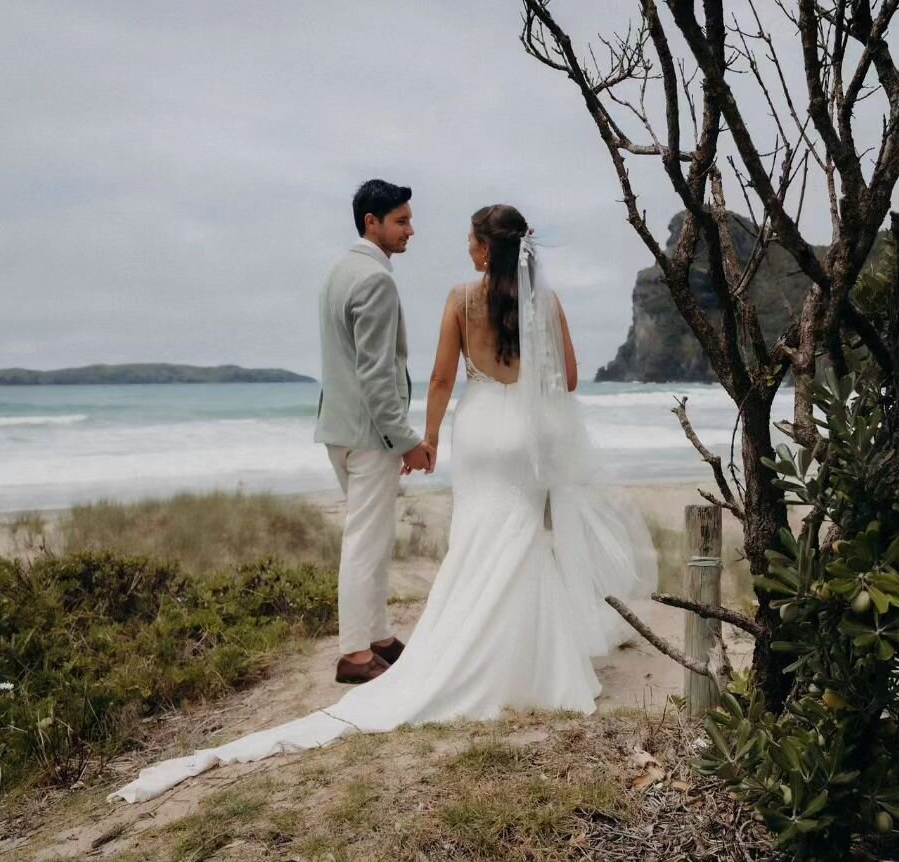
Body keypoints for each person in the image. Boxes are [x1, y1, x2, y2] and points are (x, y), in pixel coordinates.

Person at [109, 203, 656, 803]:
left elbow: (443, 379)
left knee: (477, 539)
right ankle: (536, 664)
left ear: (484, 247)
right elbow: (570, 379)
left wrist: (430, 437)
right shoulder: (546, 304)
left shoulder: (459, 299)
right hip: (527, 436)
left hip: (481, 436)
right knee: (522, 538)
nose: (466, 249)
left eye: (470, 240)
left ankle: (463, 646)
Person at [313, 179, 435, 686]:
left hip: (339, 430)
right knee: (365, 543)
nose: (411, 230)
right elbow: (376, 373)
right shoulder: (376, 280)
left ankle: (379, 636)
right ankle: (354, 654)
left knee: (374, 538)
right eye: (401, 221)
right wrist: (405, 438)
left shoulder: (338, 271)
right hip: (368, 436)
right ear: (373, 223)